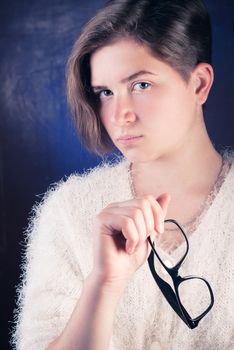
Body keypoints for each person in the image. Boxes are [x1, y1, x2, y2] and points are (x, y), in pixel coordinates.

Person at [12, 0, 234, 349]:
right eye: (105, 92)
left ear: (199, 84)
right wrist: (104, 283)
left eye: (141, 85)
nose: (119, 115)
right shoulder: (68, 211)